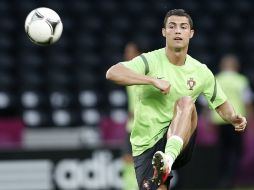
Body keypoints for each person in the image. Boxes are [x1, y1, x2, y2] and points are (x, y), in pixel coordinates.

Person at [106, 9, 247, 190]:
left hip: (180, 141)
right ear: (164, 32)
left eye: (183, 27)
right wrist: (152, 80)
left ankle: (168, 159)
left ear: (191, 33)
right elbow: (113, 73)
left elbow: (220, 104)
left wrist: (234, 117)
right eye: (172, 27)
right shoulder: (149, 61)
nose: (178, 31)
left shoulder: (201, 71)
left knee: (186, 102)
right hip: (147, 144)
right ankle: (163, 166)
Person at [209, 54, 253, 188]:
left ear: (222, 66)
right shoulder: (241, 80)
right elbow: (247, 102)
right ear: (236, 66)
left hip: (219, 120)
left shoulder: (216, 79)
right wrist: (250, 119)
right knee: (236, 151)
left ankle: (222, 179)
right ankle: (233, 178)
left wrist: (207, 118)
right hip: (237, 120)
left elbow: (207, 101)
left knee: (222, 151)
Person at [122, 42, 142, 190]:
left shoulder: (144, 75)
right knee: (127, 160)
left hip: (142, 126)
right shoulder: (128, 73)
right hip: (131, 125)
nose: (127, 55)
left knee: (141, 162)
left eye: (130, 52)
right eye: (126, 52)